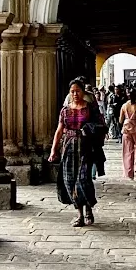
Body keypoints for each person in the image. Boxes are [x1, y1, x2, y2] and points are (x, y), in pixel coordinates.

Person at [49, 77, 105, 225]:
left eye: (77, 91)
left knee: (83, 180)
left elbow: (101, 124)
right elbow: (59, 130)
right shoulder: (65, 111)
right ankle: (79, 214)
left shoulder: (90, 108)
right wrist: (53, 150)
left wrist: (91, 131)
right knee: (70, 181)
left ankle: (88, 210)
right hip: (68, 148)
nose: (75, 94)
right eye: (72, 91)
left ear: (83, 92)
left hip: (85, 148)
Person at [119, 92, 136, 179]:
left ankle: (129, 174)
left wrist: (127, 119)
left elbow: (120, 120)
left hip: (126, 129)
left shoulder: (124, 106)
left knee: (127, 152)